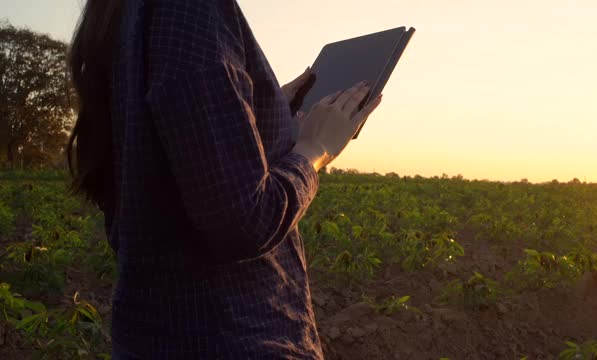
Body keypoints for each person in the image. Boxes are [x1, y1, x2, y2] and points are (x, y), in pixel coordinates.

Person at [65, 0, 382, 358]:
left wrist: (261, 105)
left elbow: (162, 150)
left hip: (153, 335)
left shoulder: (121, 11)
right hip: (232, 336)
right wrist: (315, 148)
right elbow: (244, 219)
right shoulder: (190, 9)